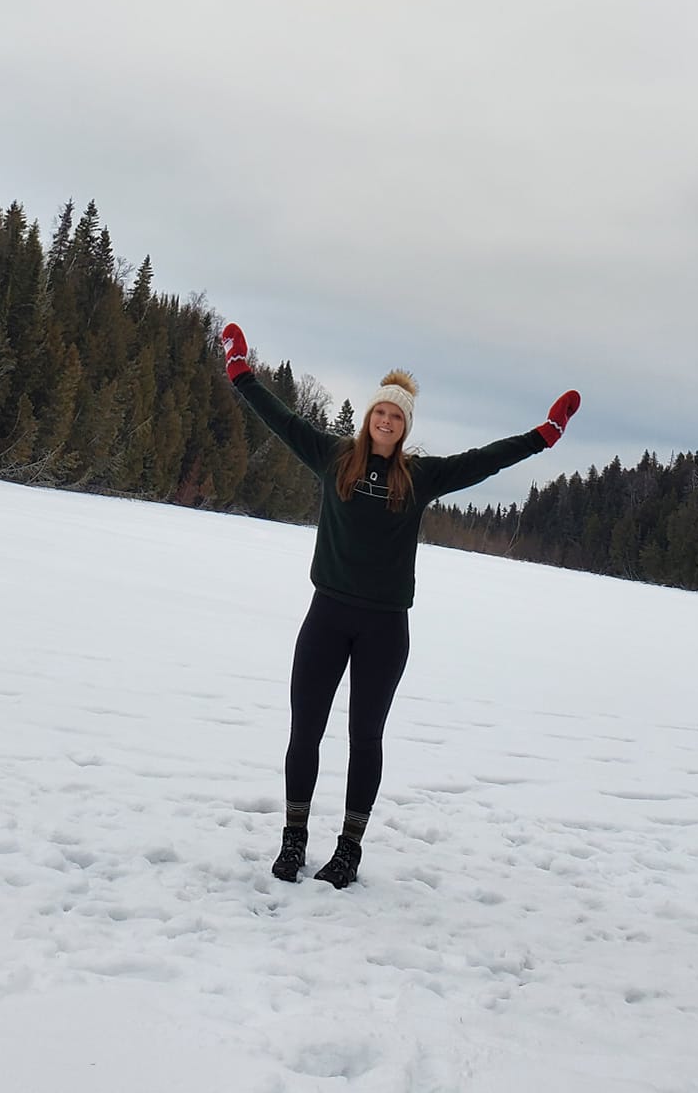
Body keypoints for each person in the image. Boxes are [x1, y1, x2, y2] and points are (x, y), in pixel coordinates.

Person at [220, 321, 580, 889]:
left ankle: (349, 851)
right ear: (369, 417)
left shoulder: (419, 478)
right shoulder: (333, 457)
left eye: (397, 418)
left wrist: (544, 434)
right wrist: (241, 371)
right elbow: (282, 419)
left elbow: (483, 460)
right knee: (304, 732)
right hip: (327, 616)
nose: (386, 422)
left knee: (366, 738)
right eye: (380, 413)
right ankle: (293, 841)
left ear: (405, 428)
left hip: (384, 628)